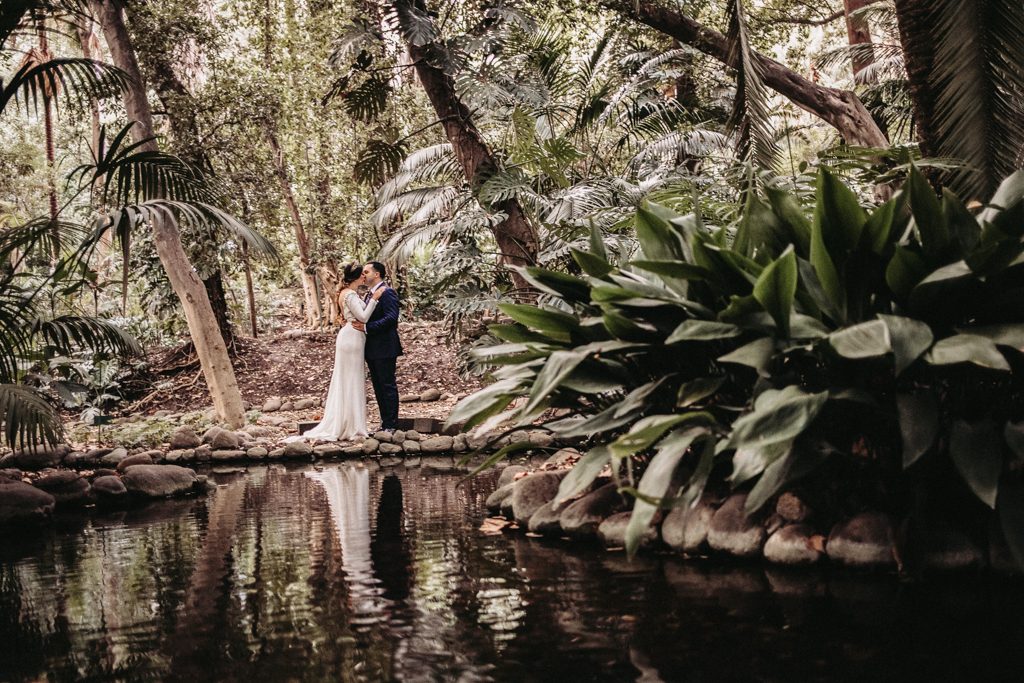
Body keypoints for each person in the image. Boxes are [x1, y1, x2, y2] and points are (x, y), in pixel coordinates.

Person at [287, 263, 384, 442]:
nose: (365, 276)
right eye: (362, 274)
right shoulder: (350, 294)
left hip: (351, 336)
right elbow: (362, 317)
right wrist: (375, 299)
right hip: (352, 338)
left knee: (349, 379)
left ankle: (351, 422)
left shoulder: (346, 293)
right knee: (351, 379)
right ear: (358, 278)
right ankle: (352, 426)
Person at [351, 261, 402, 431]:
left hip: (385, 347)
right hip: (372, 349)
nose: (363, 275)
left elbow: (391, 318)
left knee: (387, 385)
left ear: (377, 274)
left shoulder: (387, 293)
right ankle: (385, 423)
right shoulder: (369, 294)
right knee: (378, 387)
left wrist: (367, 327)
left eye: (366, 272)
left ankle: (392, 425)